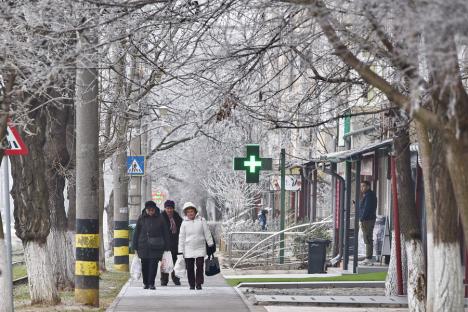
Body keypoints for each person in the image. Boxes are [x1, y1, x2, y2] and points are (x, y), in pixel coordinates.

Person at [132, 200, 170, 290]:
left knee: (153, 265)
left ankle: (151, 283)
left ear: (155, 209)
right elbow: (136, 233)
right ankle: (145, 283)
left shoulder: (160, 218)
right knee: (145, 265)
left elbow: (165, 232)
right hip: (143, 245)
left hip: (156, 246)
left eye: (152, 210)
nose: (150, 212)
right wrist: (134, 246)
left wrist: (167, 246)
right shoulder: (141, 218)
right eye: (148, 210)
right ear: (146, 210)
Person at [178, 202, 214, 290]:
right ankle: (191, 284)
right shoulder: (184, 223)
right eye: (188, 212)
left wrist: (210, 244)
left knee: (200, 266)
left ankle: (198, 283)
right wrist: (180, 250)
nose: (190, 213)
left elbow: (207, 233)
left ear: (195, 212)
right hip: (188, 248)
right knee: (189, 267)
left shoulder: (202, 220)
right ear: (186, 213)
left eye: (192, 211)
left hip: (200, 247)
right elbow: (181, 237)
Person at [160, 199, 183, 286]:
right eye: (167, 208)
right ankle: (164, 280)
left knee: (175, 262)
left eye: (171, 208)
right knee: (165, 262)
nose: (169, 210)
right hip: (165, 244)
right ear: (165, 208)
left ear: (173, 208)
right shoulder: (161, 217)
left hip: (175, 243)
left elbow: (182, 229)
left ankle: (176, 278)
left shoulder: (177, 217)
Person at [358, 180, 377, 265]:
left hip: (367, 220)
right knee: (367, 238)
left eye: (364, 186)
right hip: (367, 219)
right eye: (361, 186)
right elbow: (364, 207)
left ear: (368, 186)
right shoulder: (367, 195)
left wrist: (362, 218)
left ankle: (369, 258)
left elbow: (367, 209)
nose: (362, 188)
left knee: (368, 237)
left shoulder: (369, 196)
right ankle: (368, 257)